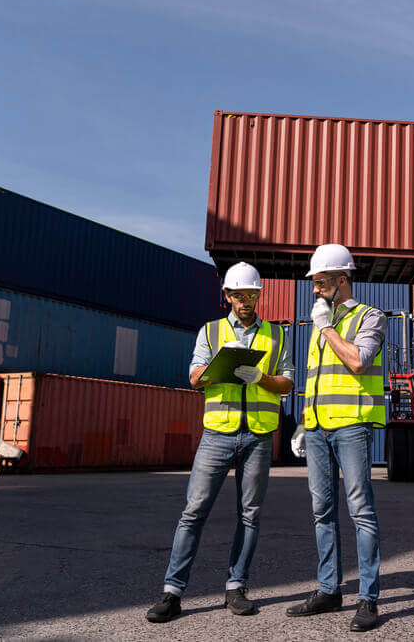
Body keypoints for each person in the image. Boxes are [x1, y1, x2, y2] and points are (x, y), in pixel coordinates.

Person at [146, 262, 293, 623]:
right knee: (193, 511)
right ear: (227, 295)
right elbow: (194, 376)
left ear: (258, 295)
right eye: (239, 295)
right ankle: (172, 593)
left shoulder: (276, 334)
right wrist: (219, 368)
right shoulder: (210, 332)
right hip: (217, 433)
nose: (246, 301)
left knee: (250, 514)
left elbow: (288, 383)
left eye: (252, 294)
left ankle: (236, 587)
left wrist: (260, 378)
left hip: (258, 434)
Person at [285, 244, 386, 632]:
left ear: (342, 280)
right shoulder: (318, 323)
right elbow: (315, 381)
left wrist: (327, 328)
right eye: (314, 282)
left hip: (351, 427)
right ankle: (329, 590)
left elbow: (358, 361)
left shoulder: (369, 317)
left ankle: (368, 598)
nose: (314, 289)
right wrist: (303, 423)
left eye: (321, 282)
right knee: (321, 511)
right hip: (316, 429)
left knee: (361, 511)